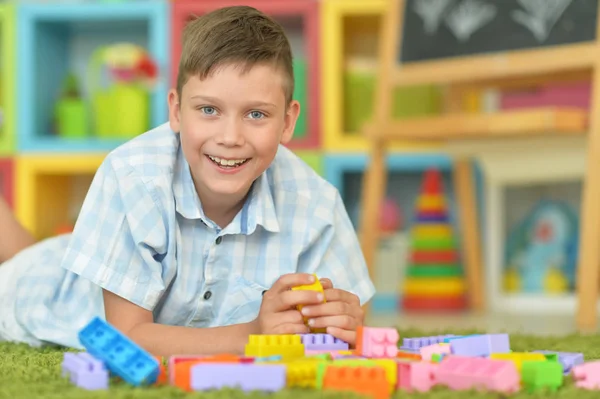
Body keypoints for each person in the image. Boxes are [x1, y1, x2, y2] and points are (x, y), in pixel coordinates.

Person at [0, 6, 375, 357]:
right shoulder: (133, 177)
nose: (230, 136)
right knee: (21, 265)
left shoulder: (316, 204)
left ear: (288, 122)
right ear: (177, 111)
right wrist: (252, 334)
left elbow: (351, 318)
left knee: (30, 250)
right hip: (50, 289)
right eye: (208, 110)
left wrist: (340, 321)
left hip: (94, 252)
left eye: (256, 114)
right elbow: (125, 337)